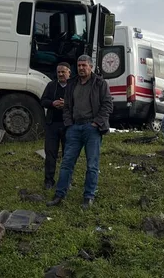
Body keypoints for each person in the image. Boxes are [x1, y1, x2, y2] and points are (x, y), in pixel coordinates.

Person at [47, 55, 112, 210]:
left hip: (92, 129)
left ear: (91, 66)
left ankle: (88, 196)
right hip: (75, 128)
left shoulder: (100, 83)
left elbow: (107, 105)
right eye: (79, 65)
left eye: (84, 65)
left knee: (92, 165)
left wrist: (96, 123)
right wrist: (69, 124)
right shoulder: (72, 83)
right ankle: (59, 195)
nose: (81, 68)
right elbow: (67, 106)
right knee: (66, 163)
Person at [40, 62, 71, 190]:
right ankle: (48, 181)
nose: (61, 74)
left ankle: (66, 181)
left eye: (63, 72)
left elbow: (79, 103)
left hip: (68, 125)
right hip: (52, 124)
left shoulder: (74, 86)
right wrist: (53, 103)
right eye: (58, 72)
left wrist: (66, 104)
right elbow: (43, 101)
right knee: (50, 154)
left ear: (69, 72)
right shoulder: (51, 85)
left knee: (68, 155)